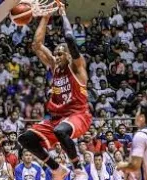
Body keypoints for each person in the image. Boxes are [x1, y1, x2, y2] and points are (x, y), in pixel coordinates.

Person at [18, 4, 92, 179]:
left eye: (61, 54)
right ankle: (57, 169)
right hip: (57, 119)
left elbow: (70, 39)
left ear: (68, 56)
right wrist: (45, 17)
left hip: (78, 115)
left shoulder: (77, 67)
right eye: (56, 54)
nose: (57, 57)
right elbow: (36, 45)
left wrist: (63, 14)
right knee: (25, 139)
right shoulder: (54, 67)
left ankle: (78, 169)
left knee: (60, 131)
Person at [117, 102, 147, 180]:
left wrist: (121, 165)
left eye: (137, 113)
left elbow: (134, 166)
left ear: (142, 117)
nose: (135, 115)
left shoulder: (141, 135)